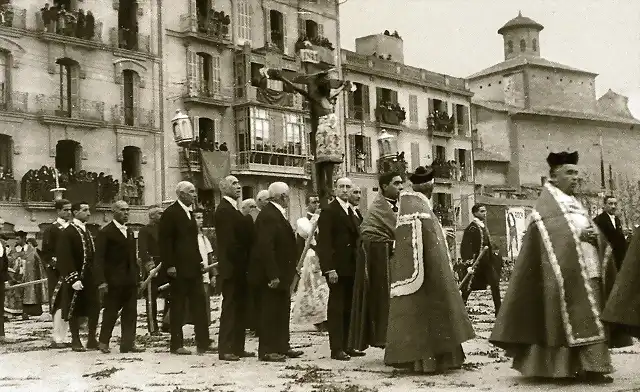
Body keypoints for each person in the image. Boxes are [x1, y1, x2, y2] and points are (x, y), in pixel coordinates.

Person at [490, 151, 631, 384]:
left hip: (589, 271)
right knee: (561, 320)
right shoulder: (546, 209)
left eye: (577, 173)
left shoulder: (575, 204)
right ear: (554, 177)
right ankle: (561, 369)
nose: (576, 177)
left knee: (593, 320)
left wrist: (594, 238)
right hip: (561, 277)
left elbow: (592, 234)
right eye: (570, 173)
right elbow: (552, 240)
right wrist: (578, 236)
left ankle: (594, 367)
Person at [385, 166, 474, 373]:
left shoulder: (412, 206)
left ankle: (432, 360)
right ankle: (430, 362)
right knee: (430, 315)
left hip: (424, 272)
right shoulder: (421, 209)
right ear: (431, 187)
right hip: (429, 275)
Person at [159, 181, 215, 355]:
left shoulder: (190, 214)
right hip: (178, 269)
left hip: (193, 267)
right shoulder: (171, 213)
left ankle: (203, 342)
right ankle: (176, 344)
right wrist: (169, 265)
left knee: (199, 305)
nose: (195, 194)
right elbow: (165, 242)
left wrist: (199, 260)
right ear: (181, 194)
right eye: (191, 192)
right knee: (178, 306)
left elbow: (192, 242)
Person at [249, 182, 302, 362]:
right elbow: (265, 247)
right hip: (273, 275)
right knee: (270, 312)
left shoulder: (274, 213)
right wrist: (272, 274)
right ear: (283, 197)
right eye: (287, 196)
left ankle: (282, 345)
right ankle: (267, 350)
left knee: (281, 310)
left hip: (282, 272)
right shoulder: (270, 215)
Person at [350, 173, 403, 352]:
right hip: (379, 257)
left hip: (393, 257)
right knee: (383, 300)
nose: (400, 187)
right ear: (384, 186)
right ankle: (385, 340)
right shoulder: (378, 207)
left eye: (401, 183)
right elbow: (375, 233)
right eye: (396, 183)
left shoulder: (400, 204)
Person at [317, 177, 364, 361]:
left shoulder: (351, 211)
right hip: (337, 268)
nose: (345, 190)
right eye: (341, 187)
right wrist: (329, 269)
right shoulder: (329, 211)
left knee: (349, 307)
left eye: (347, 187)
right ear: (335, 190)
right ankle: (336, 348)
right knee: (337, 308)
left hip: (352, 266)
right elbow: (325, 243)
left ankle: (347, 345)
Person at [95, 201, 145, 354]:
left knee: (130, 312)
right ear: (114, 212)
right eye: (123, 210)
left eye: (128, 210)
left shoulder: (129, 232)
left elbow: (132, 257)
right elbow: (99, 259)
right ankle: (103, 342)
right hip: (113, 280)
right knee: (111, 311)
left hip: (129, 279)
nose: (126, 213)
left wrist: (138, 277)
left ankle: (128, 343)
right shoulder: (105, 232)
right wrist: (102, 281)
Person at [214, 175, 254, 361]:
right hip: (232, 267)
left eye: (238, 183)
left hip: (239, 267)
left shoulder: (234, 209)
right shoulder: (224, 210)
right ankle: (226, 348)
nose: (238, 186)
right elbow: (230, 243)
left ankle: (238, 347)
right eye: (233, 184)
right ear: (223, 188)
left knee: (240, 308)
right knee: (230, 308)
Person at [56, 201, 101, 352]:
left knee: (94, 307)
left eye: (89, 210)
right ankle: (75, 340)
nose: (89, 213)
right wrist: (73, 278)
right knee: (74, 308)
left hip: (90, 277)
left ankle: (92, 339)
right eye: (85, 210)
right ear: (75, 212)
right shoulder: (68, 232)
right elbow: (64, 257)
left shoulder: (86, 230)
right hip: (76, 277)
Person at [291, 195, 328, 331]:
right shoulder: (302, 221)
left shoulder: (322, 218)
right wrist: (315, 219)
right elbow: (310, 235)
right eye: (313, 202)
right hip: (310, 258)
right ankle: (317, 320)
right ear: (307, 204)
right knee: (313, 291)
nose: (316, 204)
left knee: (324, 291)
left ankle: (325, 318)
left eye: (318, 201)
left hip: (321, 257)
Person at [460, 204, 502, 316]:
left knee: (495, 284)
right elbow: (465, 246)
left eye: (485, 211)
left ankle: (499, 311)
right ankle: (460, 309)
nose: (485, 213)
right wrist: (468, 263)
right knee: (468, 287)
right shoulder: (472, 228)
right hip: (476, 262)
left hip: (487, 262)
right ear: (475, 213)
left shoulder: (483, 226)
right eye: (482, 211)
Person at [42, 199, 72, 348]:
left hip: (72, 272)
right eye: (65, 210)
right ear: (58, 211)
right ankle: (57, 338)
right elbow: (46, 254)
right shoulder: (51, 230)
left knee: (69, 303)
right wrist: (58, 266)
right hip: (57, 273)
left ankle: (65, 337)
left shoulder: (73, 228)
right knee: (58, 303)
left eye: (70, 210)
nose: (68, 213)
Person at [5, 231, 46, 319]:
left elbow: (38, 263)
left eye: (18, 239)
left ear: (24, 238)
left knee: (31, 292)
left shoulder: (31, 250)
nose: (16, 241)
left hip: (30, 275)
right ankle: (18, 311)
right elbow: (10, 262)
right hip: (17, 276)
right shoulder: (14, 250)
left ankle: (31, 311)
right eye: (16, 239)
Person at [138, 204, 165, 335]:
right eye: (159, 213)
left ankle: (167, 323)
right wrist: (150, 267)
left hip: (165, 264)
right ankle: (153, 327)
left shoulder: (166, 230)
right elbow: (142, 251)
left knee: (171, 293)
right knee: (151, 297)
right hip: (153, 266)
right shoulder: (145, 230)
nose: (162, 215)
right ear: (152, 216)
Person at [594, 195, 628, 270]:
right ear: (604, 205)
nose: (613, 206)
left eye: (615, 204)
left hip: (620, 258)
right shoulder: (598, 220)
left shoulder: (617, 219)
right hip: (608, 259)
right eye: (610, 204)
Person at [194, 209, 215, 326]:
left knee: (204, 300)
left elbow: (210, 257)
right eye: (198, 218)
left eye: (202, 218)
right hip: (194, 274)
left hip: (205, 275)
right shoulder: (190, 238)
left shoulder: (204, 238)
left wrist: (213, 275)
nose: (201, 220)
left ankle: (204, 326)